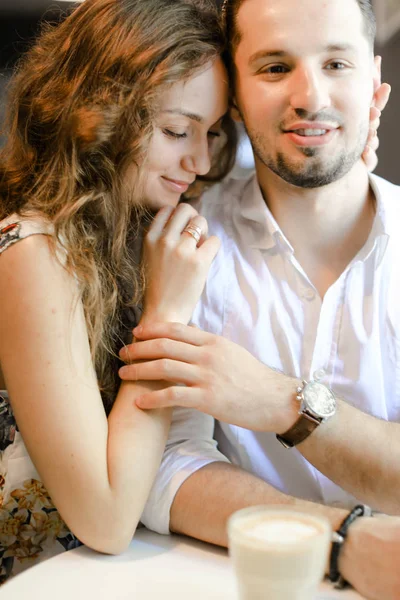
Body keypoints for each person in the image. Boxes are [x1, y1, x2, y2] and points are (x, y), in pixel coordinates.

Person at [118, 1, 400, 599]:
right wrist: (339, 542)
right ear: (236, 98)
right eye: (274, 67)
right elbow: (164, 464)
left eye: (336, 63)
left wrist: (286, 402)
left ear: (374, 87)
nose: (310, 96)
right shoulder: (181, 246)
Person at [0, 0, 238, 582]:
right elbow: (105, 521)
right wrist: (167, 311)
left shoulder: (127, 224)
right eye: (177, 130)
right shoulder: (31, 251)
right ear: (99, 113)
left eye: (211, 132)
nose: (200, 159)